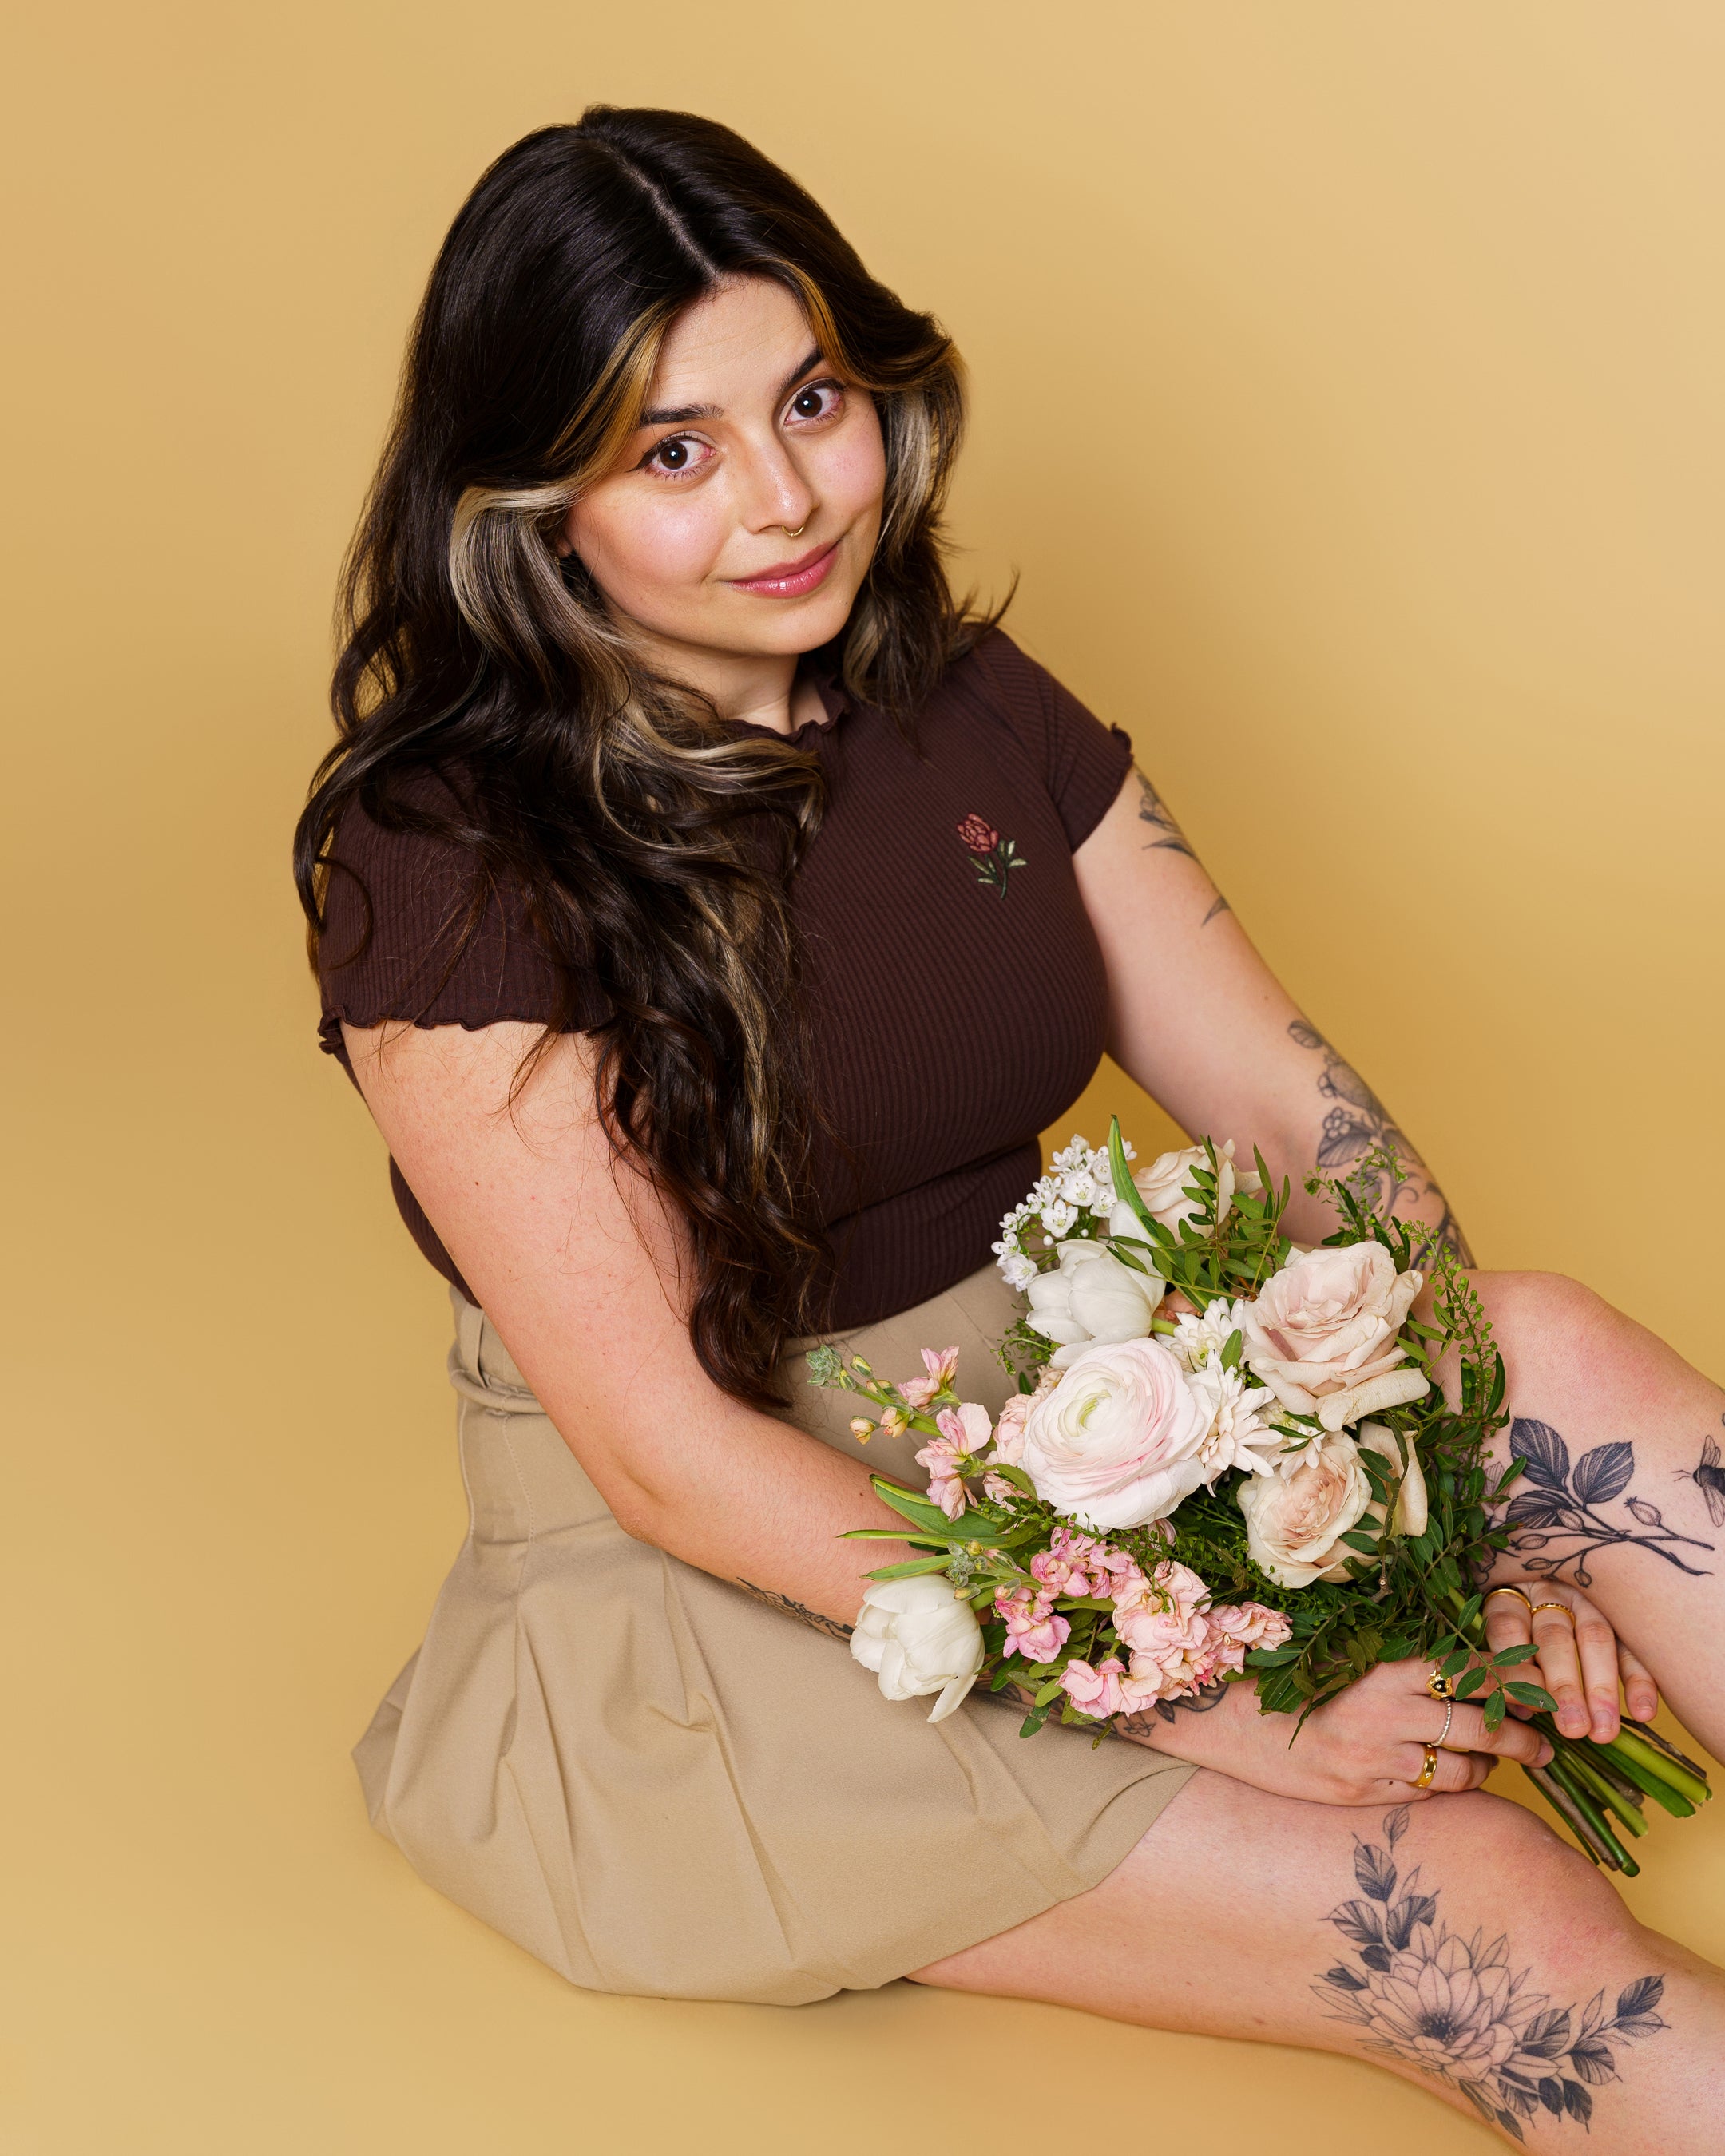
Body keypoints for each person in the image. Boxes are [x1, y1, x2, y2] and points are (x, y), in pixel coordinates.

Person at [295, 107, 1724, 2146]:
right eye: (673, 451)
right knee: (1484, 1891)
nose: (789, 499)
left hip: (1095, 1423)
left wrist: (1428, 1541)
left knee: (1556, 1354)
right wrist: (1236, 1692)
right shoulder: (441, 859)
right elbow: (672, 1460)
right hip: (756, 1592)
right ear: (531, 504)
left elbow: (1278, 1098)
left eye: (811, 401)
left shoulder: (963, 697)